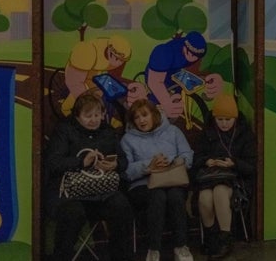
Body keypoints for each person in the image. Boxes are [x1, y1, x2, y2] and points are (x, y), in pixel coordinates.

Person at [44, 91, 134, 261]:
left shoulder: (108, 131)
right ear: (77, 116)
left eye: (97, 115)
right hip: (68, 195)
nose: (93, 120)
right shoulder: (64, 130)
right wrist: (81, 162)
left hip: (101, 191)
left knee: (122, 207)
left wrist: (115, 165)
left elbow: (123, 160)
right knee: (72, 213)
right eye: (88, 115)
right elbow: (53, 163)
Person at [121, 99, 195, 261]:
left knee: (175, 196)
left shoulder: (173, 131)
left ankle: (181, 247)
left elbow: (187, 155)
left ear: (154, 114)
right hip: (142, 185)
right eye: (137, 117)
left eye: (145, 115)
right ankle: (153, 249)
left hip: (173, 179)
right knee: (158, 196)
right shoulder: (127, 139)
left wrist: (173, 161)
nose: (141, 120)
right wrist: (149, 166)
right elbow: (125, 171)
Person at [194, 94, 257, 259]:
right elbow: (196, 159)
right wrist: (207, 161)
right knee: (204, 197)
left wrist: (233, 163)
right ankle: (210, 238)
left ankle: (225, 238)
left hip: (236, 179)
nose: (223, 123)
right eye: (220, 119)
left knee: (220, 192)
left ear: (235, 118)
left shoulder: (245, 134)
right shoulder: (206, 133)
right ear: (214, 118)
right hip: (210, 178)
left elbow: (251, 167)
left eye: (228, 119)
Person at [145, 31, 224, 118]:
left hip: (176, 72)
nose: (192, 58)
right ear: (184, 47)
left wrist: (212, 80)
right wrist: (166, 103)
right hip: (158, 73)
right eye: (190, 53)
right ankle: (150, 103)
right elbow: (154, 82)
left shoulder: (196, 55)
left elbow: (197, 70)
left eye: (196, 56)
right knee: (157, 99)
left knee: (185, 87)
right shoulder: (164, 52)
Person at [62, 35, 141, 115]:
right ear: (109, 52)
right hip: (79, 66)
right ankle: (66, 109)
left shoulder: (120, 58)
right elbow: (75, 82)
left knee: (98, 92)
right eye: (117, 59)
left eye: (122, 61)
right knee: (82, 95)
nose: (119, 63)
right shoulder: (88, 50)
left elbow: (115, 78)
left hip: (94, 68)